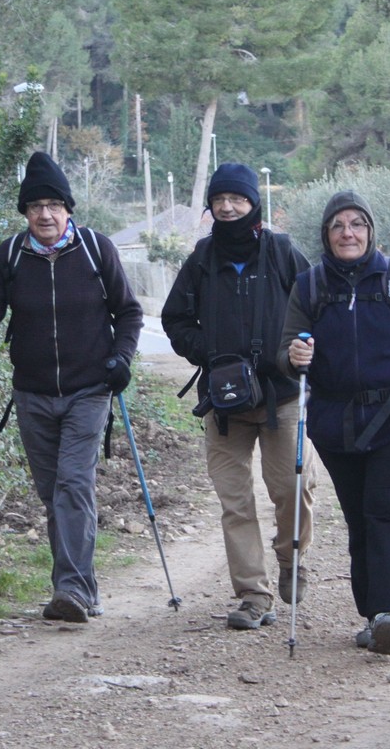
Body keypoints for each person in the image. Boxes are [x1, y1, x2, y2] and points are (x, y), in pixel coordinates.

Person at [0, 151, 143, 624]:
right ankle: (81, 589)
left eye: (54, 205)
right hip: (32, 393)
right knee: (52, 492)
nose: (45, 214)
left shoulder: (96, 249)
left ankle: (72, 590)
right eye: (36, 206)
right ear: (25, 212)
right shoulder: (11, 255)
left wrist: (121, 358)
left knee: (73, 485)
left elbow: (128, 312)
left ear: (68, 209)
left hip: (90, 389)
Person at [278, 190, 390, 655]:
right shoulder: (310, 286)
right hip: (335, 421)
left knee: (386, 510)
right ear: (326, 234)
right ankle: (371, 615)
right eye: (338, 225)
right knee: (359, 517)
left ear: (371, 231)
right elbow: (284, 353)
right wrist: (294, 356)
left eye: (357, 224)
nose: (347, 233)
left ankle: (385, 614)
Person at [161, 162, 316, 631]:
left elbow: (316, 306)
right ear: (211, 206)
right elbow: (174, 318)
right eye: (219, 200)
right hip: (223, 402)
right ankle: (254, 595)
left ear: (253, 203)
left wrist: (298, 350)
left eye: (237, 199)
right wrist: (210, 353)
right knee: (235, 502)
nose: (227, 207)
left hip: (281, 394)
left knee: (293, 488)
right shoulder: (202, 258)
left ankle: (291, 558)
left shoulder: (282, 251)